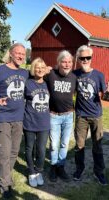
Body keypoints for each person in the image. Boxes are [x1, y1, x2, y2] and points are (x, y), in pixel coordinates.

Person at [0, 43, 29, 198]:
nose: (21, 56)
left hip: (19, 118)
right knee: (3, 153)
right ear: (11, 54)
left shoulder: (25, 73)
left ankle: (7, 177)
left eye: (23, 54)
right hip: (2, 117)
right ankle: (4, 185)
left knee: (14, 152)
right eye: (18, 53)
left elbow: (39, 75)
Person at [73, 45, 108, 185]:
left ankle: (99, 172)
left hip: (96, 116)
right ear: (78, 59)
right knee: (79, 145)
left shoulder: (99, 75)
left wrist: (108, 93)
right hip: (81, 115)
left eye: (88, 57)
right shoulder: (74, 75)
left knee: (97, 146)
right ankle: (79, 169)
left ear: (91, 58)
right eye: (82, 58)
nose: (85, 60)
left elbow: (103, 93)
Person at [45, 50, 77, 182]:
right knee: (54, 144)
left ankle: (61, 167)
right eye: (64, 62)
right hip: (53, 116)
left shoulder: (74, 77)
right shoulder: (51, 74)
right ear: (58, 63)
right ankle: (53, 167)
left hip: (69, 115)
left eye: (69, 62)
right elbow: (36, 73)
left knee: (64, 144)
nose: (67, 64)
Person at [23, 58, 50, 187]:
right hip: (29, 121)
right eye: (37, 67)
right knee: (29, 148)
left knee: (41, 149)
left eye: (42, 67)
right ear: (33, 69)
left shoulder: (48, 83)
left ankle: (39, 171)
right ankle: (31, 172)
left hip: (44, 123)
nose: (40, 70)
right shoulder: (27, 83)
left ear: (45, 70)